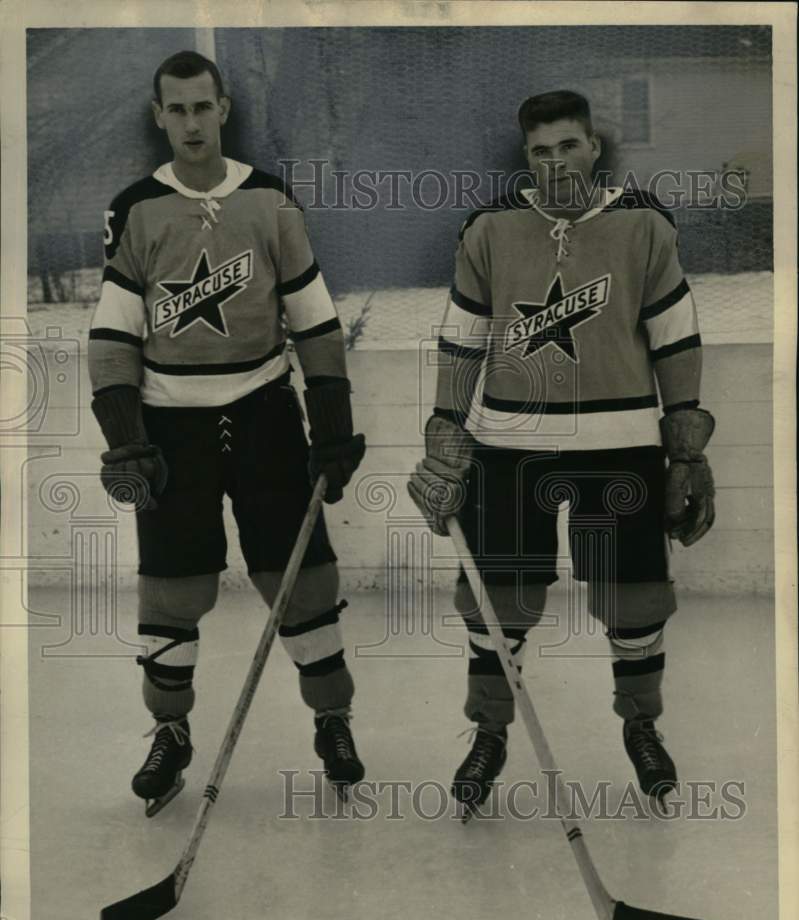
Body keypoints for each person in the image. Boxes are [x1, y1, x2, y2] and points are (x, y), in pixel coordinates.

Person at [409, 90, 715, 815]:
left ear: (593, 147)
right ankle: (489, 733)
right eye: (541, 151)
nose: (556, 163)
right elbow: (462, 341)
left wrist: (684, 449)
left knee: (632, 597)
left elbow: (675, 338)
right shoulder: (488, 229)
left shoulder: (642, 224)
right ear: (527, 156)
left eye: (568, 146)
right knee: (497, 601)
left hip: (620, 447)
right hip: (508, 448)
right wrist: (446, 434)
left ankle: (641, 725)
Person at [88, 50, 366, 815]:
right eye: (176, 109)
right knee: (172, 589)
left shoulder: (269, 199)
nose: (191, 122)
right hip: (169, 425)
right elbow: (112, 336)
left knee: (301, 578)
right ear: (159, 117)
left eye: (201, 107)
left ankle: (333, 720)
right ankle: (170, 733)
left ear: (223, 109)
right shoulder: (136, 207)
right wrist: (125, 436)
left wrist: (331, 425)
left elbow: (314, 318)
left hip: (262, 413)